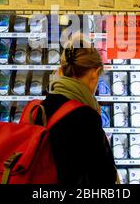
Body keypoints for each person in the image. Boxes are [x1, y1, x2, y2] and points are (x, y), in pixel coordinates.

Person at [36, 37, 117, 184]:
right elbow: (104, 178)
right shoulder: (86, 117)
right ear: (95, 72)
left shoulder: (41, 108)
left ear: (61, 71)